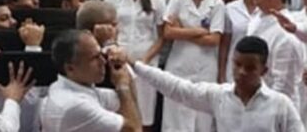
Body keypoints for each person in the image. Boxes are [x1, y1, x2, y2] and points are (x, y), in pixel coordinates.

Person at [123, 36, 302, 131]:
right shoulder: (219, 96)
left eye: (250, 68)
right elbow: (177, 88)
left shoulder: (280, 104)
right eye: (237, 65)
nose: (241, 72)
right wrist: (135, 65)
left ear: (264, 70)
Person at [160, 0, 225, 132]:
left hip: (205, 68)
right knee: (174, 119)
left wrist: (182, 30)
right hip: (178, 65)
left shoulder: (217, 4)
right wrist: (198, 31)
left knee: (202, 120)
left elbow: (214, 40)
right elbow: (168, 32)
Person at [104, 0, 165, 130]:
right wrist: (115, 50)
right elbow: (108, 27)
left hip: (145, 63)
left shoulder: (156, 1)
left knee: (145, 113)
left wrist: (145, 60)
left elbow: (162, 36)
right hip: (118, 61)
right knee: (119, 111)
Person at [40, 30, 141, 132]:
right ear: (70, 68)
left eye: (101, 54)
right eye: (95, 58)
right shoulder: (75, 105)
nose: (103, 61)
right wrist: (122, 86)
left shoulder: (70, 86)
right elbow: (135, 129)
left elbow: (128, 102)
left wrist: (121, 63)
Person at [245, 0, 305, 109]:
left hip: (276, 108)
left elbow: (283, 85)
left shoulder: (285, 33)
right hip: (252, 98)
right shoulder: (257, 17)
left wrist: (266, 110)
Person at [220, 0, 259, 82]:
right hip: (234, 67)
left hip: (258, 68)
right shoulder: (229, 8)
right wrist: (221, 74)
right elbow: (225, 44)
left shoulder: (266, 10)